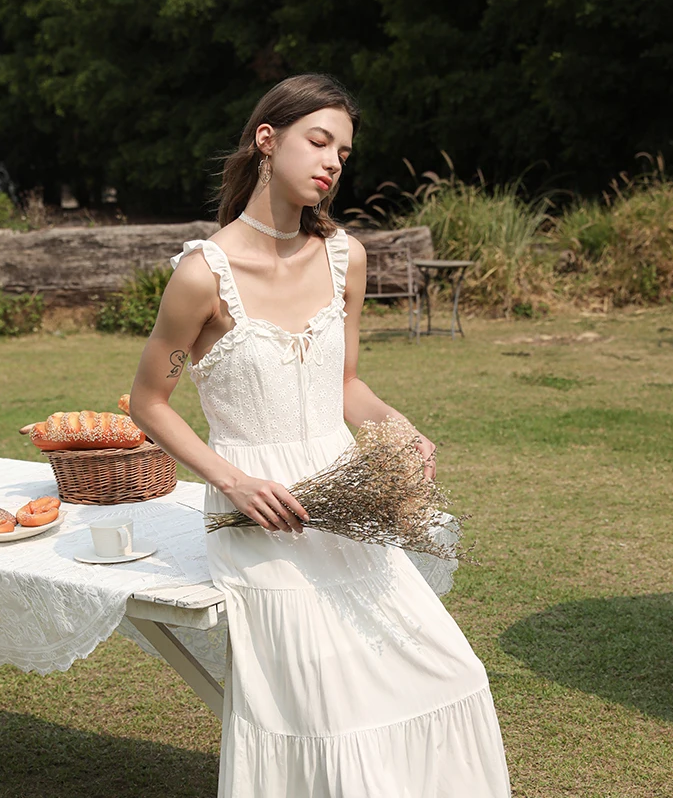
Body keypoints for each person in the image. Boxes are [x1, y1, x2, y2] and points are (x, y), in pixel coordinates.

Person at [129, 73, 511, 798]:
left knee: (452, 672)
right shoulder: (201, 275)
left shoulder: (345, 259)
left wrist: (402, 430)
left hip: (348, 504)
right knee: (324, 713)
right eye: (319, 140)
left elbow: (346, 387)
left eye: (344, 150)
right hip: (259, 516)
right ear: (267, 141)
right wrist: (232, 481)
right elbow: (151, 401)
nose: (334, 161)